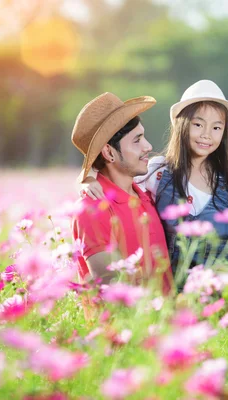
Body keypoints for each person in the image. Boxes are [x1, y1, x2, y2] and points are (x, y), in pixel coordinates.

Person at [81, 80, 228, 275]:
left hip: (225, 295)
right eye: (198, 124)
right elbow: (117, 176)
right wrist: (89, 178)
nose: (206, 135)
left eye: (216, 128)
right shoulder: (158, 172)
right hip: (175, 297)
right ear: (181, 125)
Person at [71, 92, 172, 292]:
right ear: (109, 152)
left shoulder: (147, 194)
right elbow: (112, 292)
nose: (149, 147)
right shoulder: (92, 209)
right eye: (137, 140)